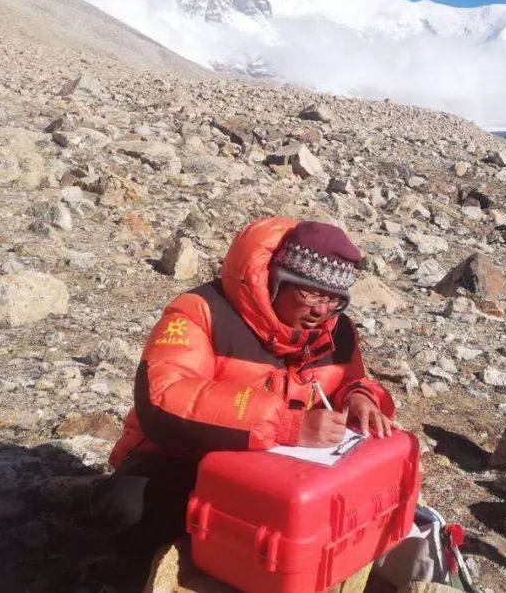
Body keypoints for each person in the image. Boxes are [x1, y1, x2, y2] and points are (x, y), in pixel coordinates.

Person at [97, 216, 398, 575]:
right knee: (130, 508)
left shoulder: (338, 331)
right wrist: (286, 425)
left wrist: (360, 396)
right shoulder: (199, 313)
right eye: (311, 292)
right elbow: (164, 398)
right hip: (182, 458)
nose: (322, 311)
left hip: (275, 474)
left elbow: (351, 380)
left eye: (335, 299)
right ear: (277, 280)